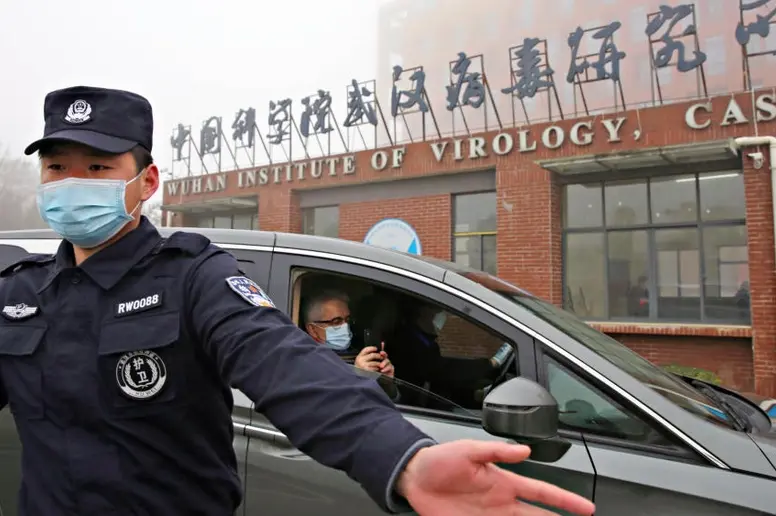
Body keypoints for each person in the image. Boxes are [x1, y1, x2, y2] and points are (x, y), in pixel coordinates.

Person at [0, 85, 596, 516]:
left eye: (98, 166)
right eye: (57, 168)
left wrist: (402, 456)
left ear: (146, 182)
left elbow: (288, 364)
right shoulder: (18, 294)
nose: (72, 183)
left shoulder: (193, 279)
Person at [304, 289, 394, 377]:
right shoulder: (306, 364)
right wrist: (357, 377)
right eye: (336, 321)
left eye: (347, 320)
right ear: (313, 330)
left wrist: (387, 383)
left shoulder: (354, 354)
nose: (346, 326)